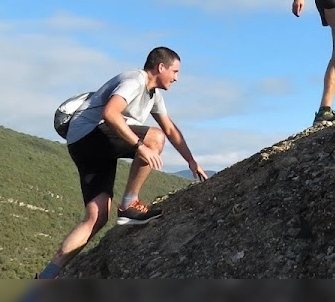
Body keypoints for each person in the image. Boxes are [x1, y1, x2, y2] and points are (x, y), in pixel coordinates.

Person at [36, 47, 207, 280]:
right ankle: (129, 204)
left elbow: (170, 128)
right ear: (161, 67)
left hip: (84, 144)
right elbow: (110, 113)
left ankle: (46, 277)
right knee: (154, 138)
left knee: (96, 217)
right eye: (175, 71)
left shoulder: (154, 95)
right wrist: (140, 147)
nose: (176, 78)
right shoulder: (134, 80)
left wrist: (191, 161)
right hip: (90, 135)